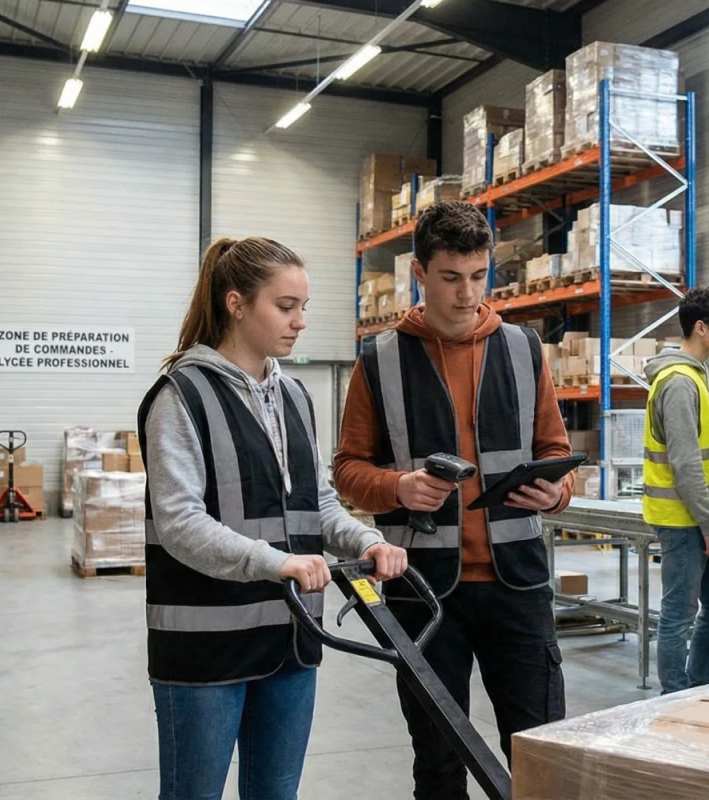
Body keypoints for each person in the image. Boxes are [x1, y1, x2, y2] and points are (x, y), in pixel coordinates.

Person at [139, 236, 409, 799]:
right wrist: (276, 562)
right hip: (207, 647)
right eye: (285, 307)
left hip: (291, 637)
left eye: (303, 308)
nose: (300, 322)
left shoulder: (294, 396)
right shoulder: (180, 395)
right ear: (236, 304)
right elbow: (179, 522)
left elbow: (319, 502)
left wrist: (366, 539)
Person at [334, 201, 575, 799]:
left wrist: (556, 491)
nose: (467, 293)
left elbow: (555, 449)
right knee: (438, 762)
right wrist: (398, 487)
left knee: (542, 750)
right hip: (423, 593)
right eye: (450, 278)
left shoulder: (524, 350)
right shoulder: (380, 360)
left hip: (517, 587)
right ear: (420, 272)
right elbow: (346, 472)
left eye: (478, 275)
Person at [642, 287, 709, 694]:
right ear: (701, 328)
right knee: (679, 613)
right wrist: (708, 526)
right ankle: (674, 695)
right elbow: (685, 463)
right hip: (686, 523)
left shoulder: (696, 376)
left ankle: (697, 683)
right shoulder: (679, 383)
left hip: (702, 520)